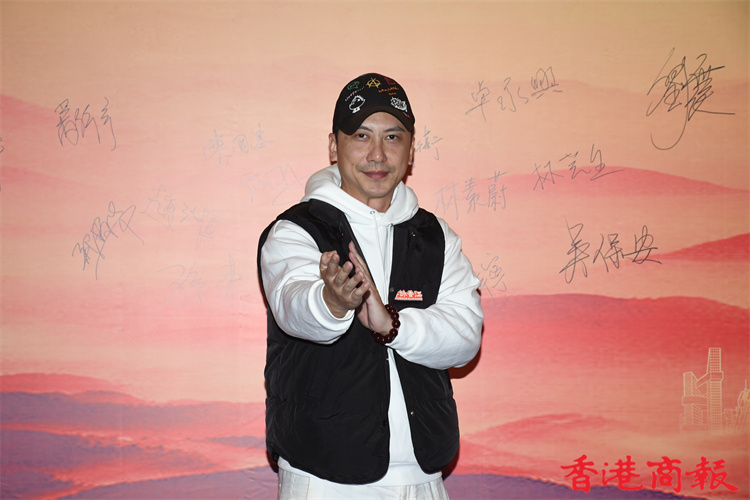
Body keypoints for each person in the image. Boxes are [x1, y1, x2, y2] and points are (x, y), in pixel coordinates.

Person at [257, 72, 484, 499]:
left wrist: (392, 325)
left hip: (423, 476)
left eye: (392, 137)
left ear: (411, 150)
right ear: (333, 145)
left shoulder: (437, 237)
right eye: (361, 136)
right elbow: (293, 306)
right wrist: (332, 301)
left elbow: (465, 337)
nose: (377, 154)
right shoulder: (297, 230)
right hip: (323, 477)